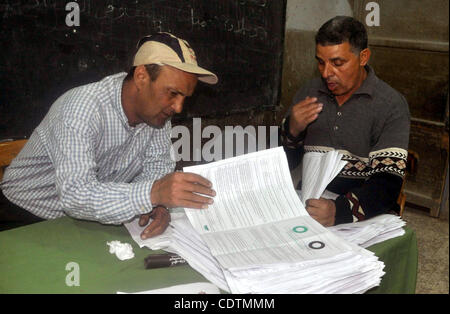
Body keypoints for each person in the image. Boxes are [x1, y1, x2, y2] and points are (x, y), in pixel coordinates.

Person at [0, 32, 218, 238]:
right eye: (172, 93)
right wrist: (151, 194)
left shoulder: (157, 115)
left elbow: (156, 168)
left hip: (85, 220)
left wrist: (156, 205)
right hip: (22, 218)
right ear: (141, 76)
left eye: (184, 97)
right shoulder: (82, 109)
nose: (178, 107)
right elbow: (76, 195)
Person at [281, 16, 410, 226]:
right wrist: (292, 131)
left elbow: (387, 184)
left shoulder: (391, 104)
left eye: (337, 63)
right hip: (309, 204)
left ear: (363, 57)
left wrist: (339, 211)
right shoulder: (308, 93)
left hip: (361, 214)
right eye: (321, 62)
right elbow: (286, 164)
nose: (326, 73)